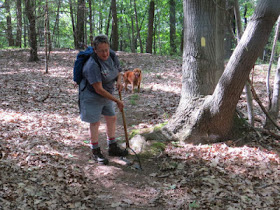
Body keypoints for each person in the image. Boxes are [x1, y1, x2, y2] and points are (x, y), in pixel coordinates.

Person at [79, 35, 128, 165]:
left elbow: (118, 71)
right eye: (101, 50)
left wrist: (119, 81)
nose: (105, 53)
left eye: (106, 49)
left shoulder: (112, 55)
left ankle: (112, 146)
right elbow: (98, 89)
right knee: (95, 122)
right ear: (95, 50)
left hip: (108, 93)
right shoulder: (92, 65)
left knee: (111, 118)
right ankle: (95, 150)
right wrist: (117, 100)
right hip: (92, 95)